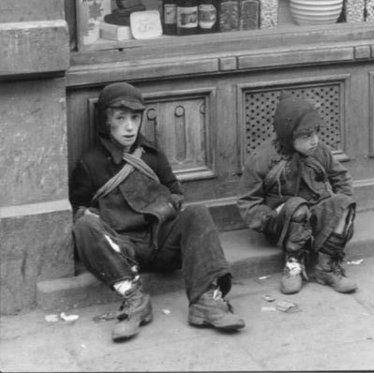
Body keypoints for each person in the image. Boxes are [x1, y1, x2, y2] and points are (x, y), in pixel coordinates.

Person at [69, 82, 245, 341]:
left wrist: (164, 205)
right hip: (123, 250)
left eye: (135, 118)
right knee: (84, 227)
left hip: (161, 242)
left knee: (198, 213)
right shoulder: (90, 163)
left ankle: (206, 301)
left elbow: (175, 192)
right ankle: (134, 299)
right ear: (106, 122)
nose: (130, 126)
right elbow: (80, 208)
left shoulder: (151, 155)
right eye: (120, 118)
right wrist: (86, 215)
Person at [237, 92, 358, 296]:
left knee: (344, 203)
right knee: (297, 206)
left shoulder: (319, 151)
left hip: (315, 218)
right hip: (283, 223)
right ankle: (294, 264)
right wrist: (270, 218)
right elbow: (248, 202)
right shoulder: (263, 158)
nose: (314, 141)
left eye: (316, 133)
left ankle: (326, 267)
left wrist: (339, 213)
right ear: (288, 134)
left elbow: (341, 178)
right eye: (306, 136)